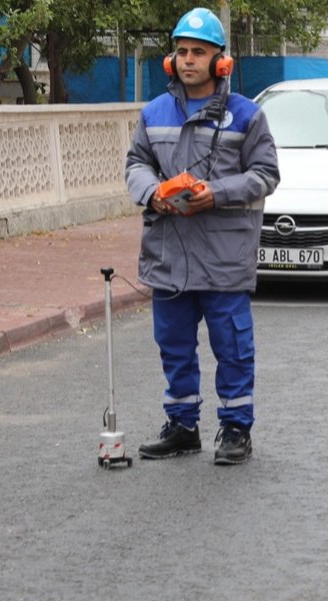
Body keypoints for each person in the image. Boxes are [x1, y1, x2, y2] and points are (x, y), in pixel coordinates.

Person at [125, 7, 280, 465]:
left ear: (221, 62)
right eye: (182, 51)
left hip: (224, 255)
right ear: (171, 60)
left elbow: (266, 175)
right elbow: (136, 163)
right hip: (169, 252)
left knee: (232, 347)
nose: (188, 59)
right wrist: (152, 193)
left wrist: (217, 193)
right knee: (173, 345)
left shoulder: (246, 116)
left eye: (199, 51)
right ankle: (182, 426)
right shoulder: (153, 113)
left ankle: (235, 430)